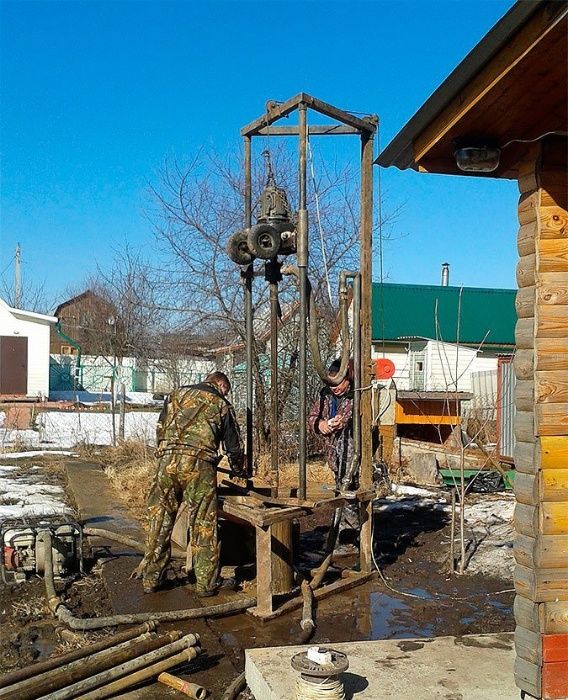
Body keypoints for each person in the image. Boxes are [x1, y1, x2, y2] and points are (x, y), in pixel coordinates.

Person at [132, 371, 246, 597]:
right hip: (199, 466)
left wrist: (166, 454)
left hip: (167, 463)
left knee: (159, 519)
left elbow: (160, 429)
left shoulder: (175, 395)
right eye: (227, 390)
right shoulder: (221, 404)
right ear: (221, 384)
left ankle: (151, 579)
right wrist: (238, 470)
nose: (226, 394)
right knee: (203, 523)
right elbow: (234, 446)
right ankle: (205, 584)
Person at [308, 358, 360, 551]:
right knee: (341, 491)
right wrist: (320, 424)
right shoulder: (325, 395)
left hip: (352, 453)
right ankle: (345, 536)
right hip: (335, 453)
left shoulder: (357, 395)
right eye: (331, 384)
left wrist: (341, 421)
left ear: (347, 378)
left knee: (350, 494)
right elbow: (313, 416)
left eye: (338, 383)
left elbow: (354, 418)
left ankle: (351, 539)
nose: (334, 388)